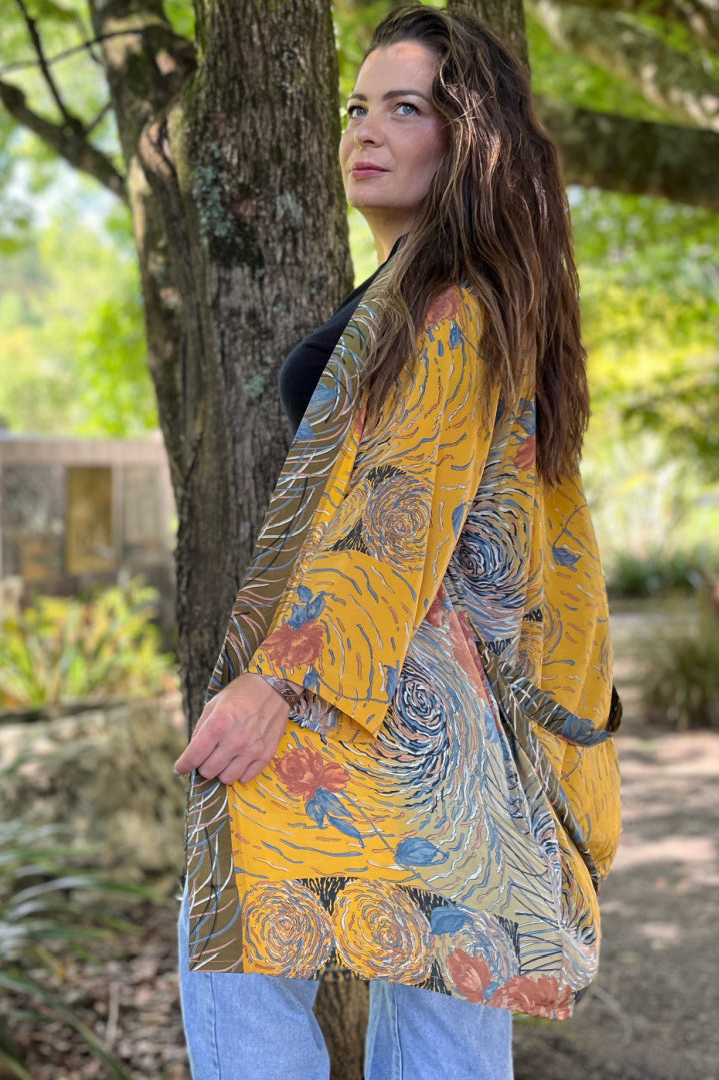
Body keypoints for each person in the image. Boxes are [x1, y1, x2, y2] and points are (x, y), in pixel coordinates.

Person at [173, 5, 622, 1080]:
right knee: (444, 976)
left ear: (467, 140)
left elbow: (399, 505)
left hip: (388, 699)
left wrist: (277, 680)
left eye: (405, 108)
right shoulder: (442, 294)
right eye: (356, 107)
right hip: (447, 731)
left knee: (233, 928)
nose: (365, 130)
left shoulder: (453, 307)